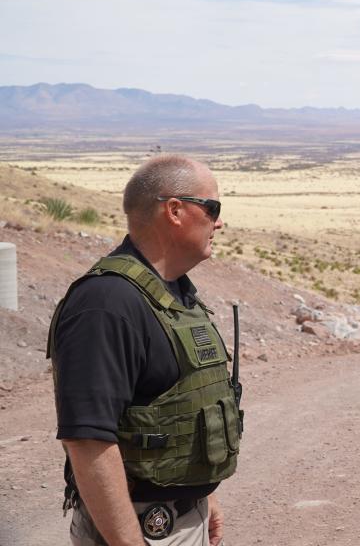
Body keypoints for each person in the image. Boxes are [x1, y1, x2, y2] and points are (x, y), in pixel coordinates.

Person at [47, 154, 241, 546]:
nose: (219, 222)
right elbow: (87, 441)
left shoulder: (175, 292)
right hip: (140, 530)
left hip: (180, 515)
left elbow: (185, 408)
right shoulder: (105, 303)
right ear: (174, 210)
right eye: (212, 208)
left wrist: (201, 497)